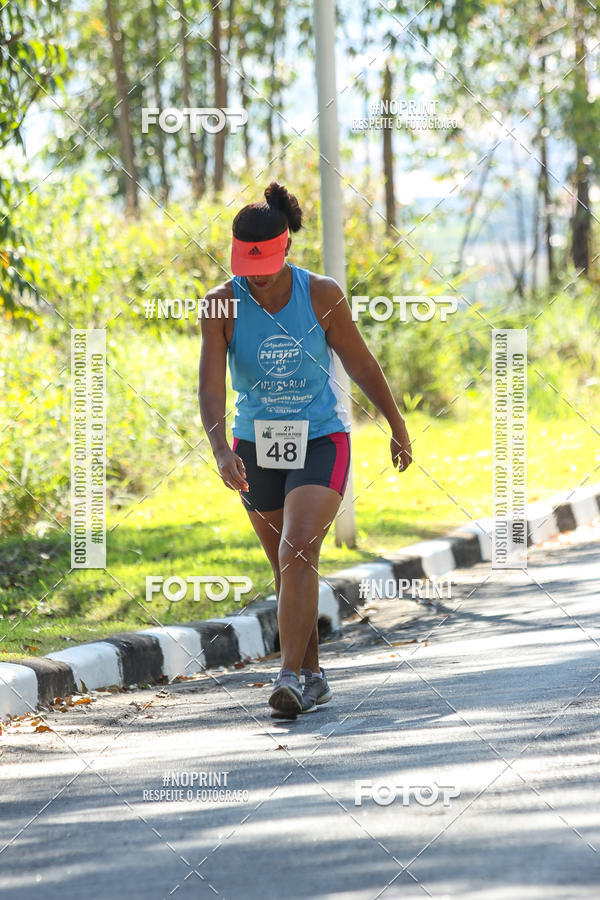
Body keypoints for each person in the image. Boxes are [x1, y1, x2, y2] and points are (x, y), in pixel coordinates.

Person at [198, 181, 412, 718]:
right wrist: (222, 449)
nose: (258, 272)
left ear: (286, 248)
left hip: (321, 439)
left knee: (296, 550)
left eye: (266, 260)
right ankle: (313, 676)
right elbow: (210, 386)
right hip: (255, 446)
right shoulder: (220, 305)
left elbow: (361, 363)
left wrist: (395, 422)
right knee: (289, 566)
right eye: (247, 262)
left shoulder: (321, 294)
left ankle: (289, 677)